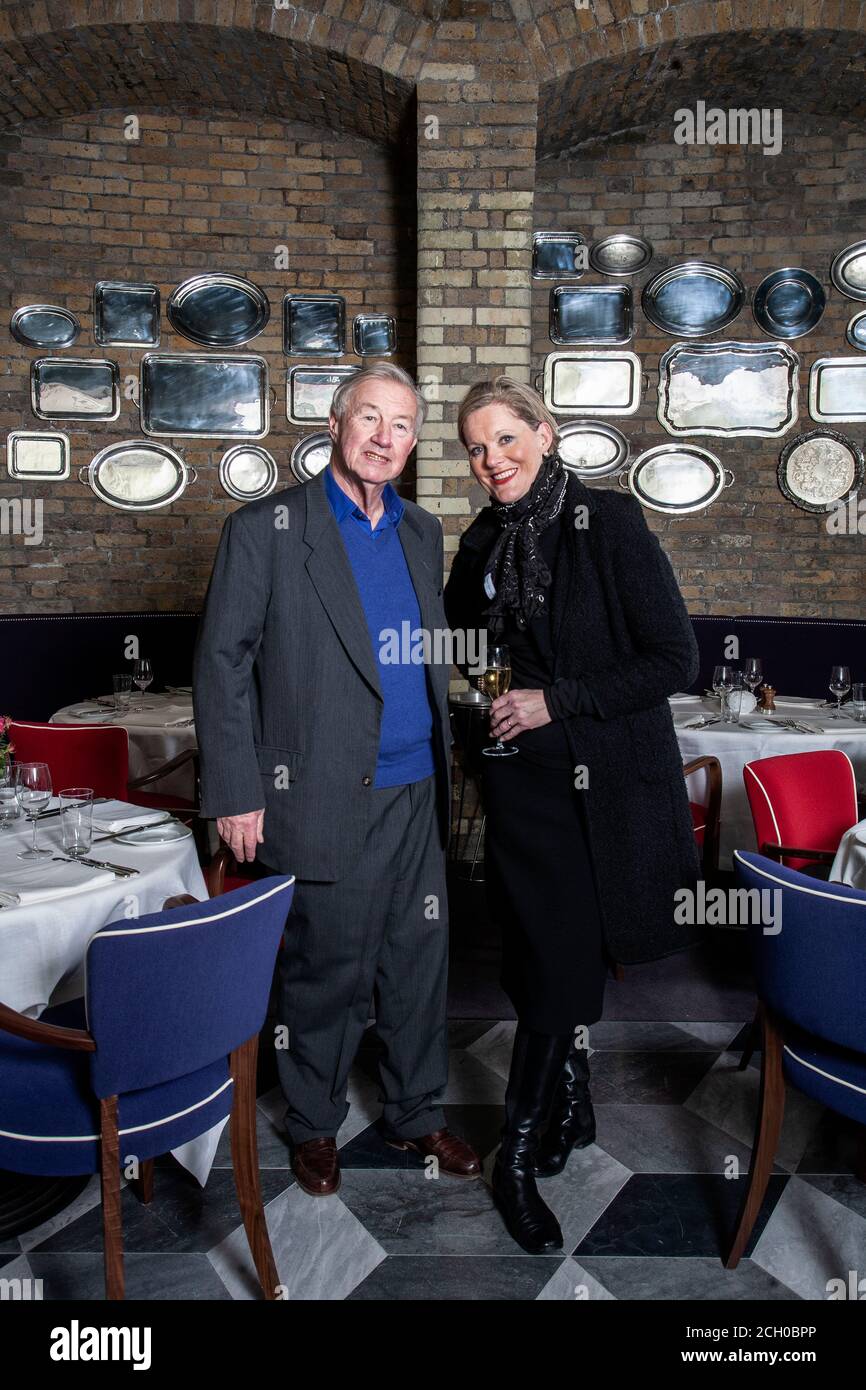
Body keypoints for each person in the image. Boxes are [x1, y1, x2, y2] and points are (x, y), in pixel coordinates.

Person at [194, 362, 481, 1196]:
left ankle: (415, 1112)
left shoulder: (422, 532)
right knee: (330, 966)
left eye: (401, 424)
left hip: (418, 786)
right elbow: (221, 665)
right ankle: (315, 1122)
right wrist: (237, 791)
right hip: (319, 785)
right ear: (334, 423)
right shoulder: (267, 528)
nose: (384, 438)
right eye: (370, 419)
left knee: (419, 959)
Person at [444, 376, 700, 1254]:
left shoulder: (611, 525)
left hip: (604, 790)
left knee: (558, 961)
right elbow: (464, 641)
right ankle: (572, 1101)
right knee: (538, 954)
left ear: (545, 435)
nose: (492, 462)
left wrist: (560, 700)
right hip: (520, 785)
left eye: (506, 441)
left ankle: (511, 1155)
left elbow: (675, 659)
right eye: (477, 448)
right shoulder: (484, 535)